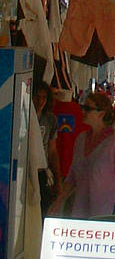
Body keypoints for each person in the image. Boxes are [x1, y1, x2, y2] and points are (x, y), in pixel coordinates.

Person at [52, 90, 115, 217]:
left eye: (87, 108)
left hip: (108, 214)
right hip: (82, 213)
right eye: (83, 107)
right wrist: (58, 202)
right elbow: (72, 177)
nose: (82, 111)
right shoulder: (81, 139)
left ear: (101, 114)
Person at [33, 80, 62, 215]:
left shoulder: (50, 120)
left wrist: (57, 181)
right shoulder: (23, 115)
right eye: (37, 97)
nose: (40, 101)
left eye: (44, 98)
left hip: (42, 172)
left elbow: (52, 151)